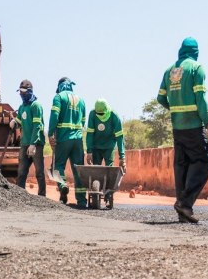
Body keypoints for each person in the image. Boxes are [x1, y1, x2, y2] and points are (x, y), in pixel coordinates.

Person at [157, 37, 208, 223]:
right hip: (194, 125)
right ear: (196, 51)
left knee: (182, 167)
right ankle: (185, 203)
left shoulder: (169, 71)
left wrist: (176, 108)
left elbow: (160, 98)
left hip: (177, 128)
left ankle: (182, 212)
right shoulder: (196, 69)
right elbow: (201, 99)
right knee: (203, 163)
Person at [47, 77, 87, 207]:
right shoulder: (81, 100)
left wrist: (50, 133)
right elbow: (83, 122)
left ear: (60, 86)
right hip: (78, 140)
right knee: (78, 171)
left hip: (63, 138)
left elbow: (54, 116)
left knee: (58, 166)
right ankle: (81, 200)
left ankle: (63, 185)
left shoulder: (58, 97)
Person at [13, 79, 46, 196]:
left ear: (30, 91)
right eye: (20, 92)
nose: (21, 94)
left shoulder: (36, 106)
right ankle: (20, 196)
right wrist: (14, 122)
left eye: (23, 92)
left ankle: (42, 196)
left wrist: (33, 144)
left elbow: (37, 126)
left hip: (36, 144)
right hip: (24, 143)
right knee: (21, 172)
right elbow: (19, 121)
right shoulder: (22, 107)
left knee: (39, 173)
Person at [85, 98, 126, 172]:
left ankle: (109, 183)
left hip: (109, 147)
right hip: (96, 146)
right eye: (99, 114)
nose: (101, 115)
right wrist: (89, 152)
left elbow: (119, 137)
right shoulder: (92, 114)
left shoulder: (114, 116)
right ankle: (97, 183)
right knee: (96, 169)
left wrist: (122, 157)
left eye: (102, 113)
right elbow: (90, 134)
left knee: (109, 169)